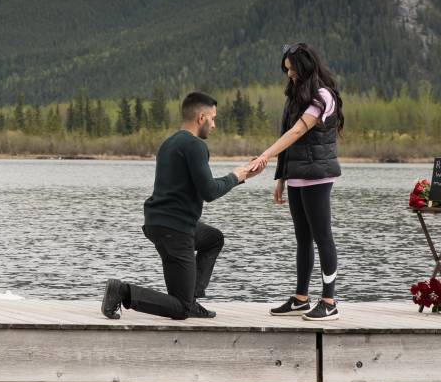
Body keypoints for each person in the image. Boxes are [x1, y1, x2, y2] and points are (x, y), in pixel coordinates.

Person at [102, 91, 261, 321]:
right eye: (213, 118)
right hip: (175, 230)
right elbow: (209, 192)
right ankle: (123, 291)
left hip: (161, 224)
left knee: (213, 238)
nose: (214, 125)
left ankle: (191, 297)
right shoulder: (195, 146)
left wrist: (243, 175)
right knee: (180, 309)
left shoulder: (169, 143)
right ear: (201, 117)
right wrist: (236, 176)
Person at [239, 42, 344, 320]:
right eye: (286, 70)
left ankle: (329, 301)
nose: (289, 75)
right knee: (302, 239)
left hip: (318, 176)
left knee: (323, 237)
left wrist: (263, 156)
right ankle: (300, 298)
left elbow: (297, 132)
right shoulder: (297, 95)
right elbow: (290, 141)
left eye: (292, 69)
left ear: (305, 66)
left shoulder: (322, 95)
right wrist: (281, 178)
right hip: (298, 175)